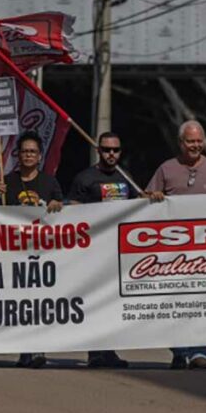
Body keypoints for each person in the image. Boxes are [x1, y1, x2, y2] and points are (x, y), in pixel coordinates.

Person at [146, 120, 206, 370]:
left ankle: (200, 351)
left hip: (204, 253)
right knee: (173, 303)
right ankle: (180, 351)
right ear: (181, 143)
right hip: (171, 254)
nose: (196, 145)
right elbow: (143, 200)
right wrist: (153, 197)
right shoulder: (166, 169)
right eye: (190, 141)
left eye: (199, 141)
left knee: (201, 301)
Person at [0, 131, 62, 369]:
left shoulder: (50, 183)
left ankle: (37, 348)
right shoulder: (7, 181)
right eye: (24, 151)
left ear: (40, 156)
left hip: (42, 254)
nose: (29, 155)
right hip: (14, 254)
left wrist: (57, 204)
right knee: (21, 304)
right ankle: (25, 349)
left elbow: (63, 211)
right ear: (17, 155)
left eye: (33, 151)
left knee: (39, 302)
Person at [67, 132, 137, 369]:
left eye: (115, 150)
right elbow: (73, 213)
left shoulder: (127, 178)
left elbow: (140, 206)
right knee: (94, 303)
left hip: (119, 252)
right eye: (106, 149)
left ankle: (109, 351)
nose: (111, 154)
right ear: (98, 150)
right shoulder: (84, 178)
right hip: (92, 252)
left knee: (113, 304)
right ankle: (95, 352)